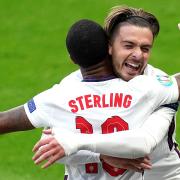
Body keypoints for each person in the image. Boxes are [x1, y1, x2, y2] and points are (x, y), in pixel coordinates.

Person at [33, 6, 180, 180]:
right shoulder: (75, 85)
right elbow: (50, 146)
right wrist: (100, 155)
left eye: (145, 48)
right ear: (109, 47)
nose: (138, 55)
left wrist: (80, 144)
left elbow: (144, 141)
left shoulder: (159, 86)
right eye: (128, 45)